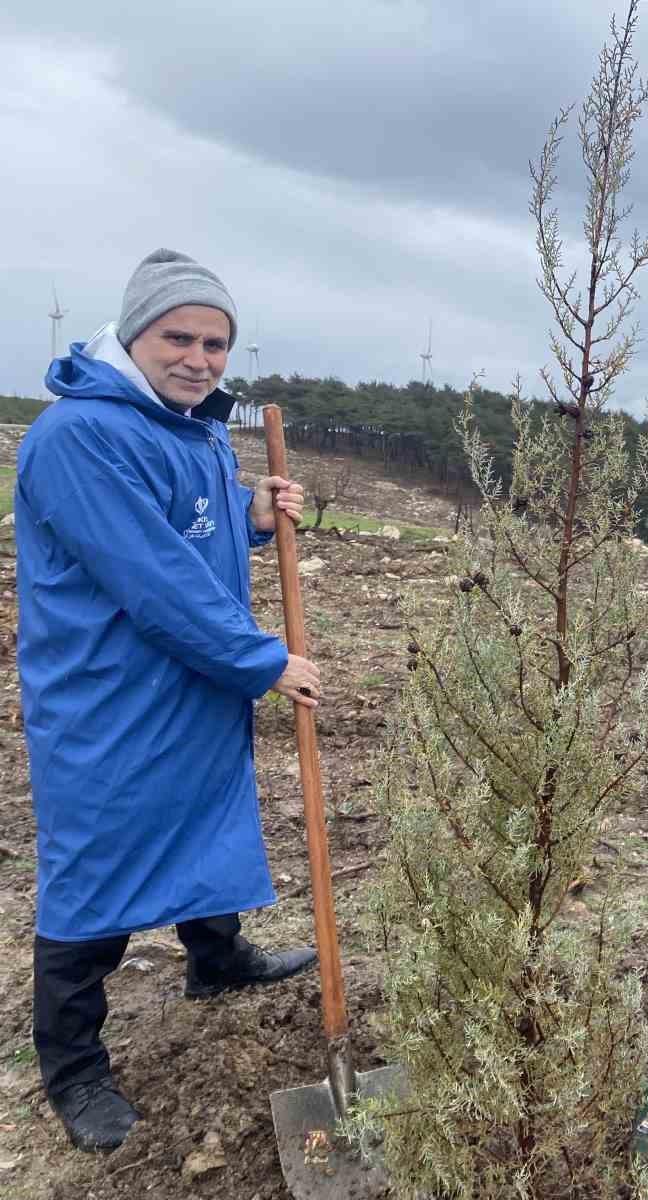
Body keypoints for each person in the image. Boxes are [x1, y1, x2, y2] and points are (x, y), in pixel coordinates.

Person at [17, 249, 322, 1153]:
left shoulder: (185, 427)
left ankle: (217, 963)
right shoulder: (78, 436)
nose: (199, 358)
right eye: (178, 337)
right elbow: (152, 580)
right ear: (133, 332)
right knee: (97, 863)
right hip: (109, 693)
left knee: (205, 813)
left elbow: (188, 532)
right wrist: (263, 659)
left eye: (216, 343)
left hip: (184, 685)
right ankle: (72, 1066)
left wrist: (250, 517)